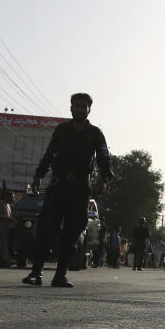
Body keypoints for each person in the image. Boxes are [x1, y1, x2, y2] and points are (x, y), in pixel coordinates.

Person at [22, 92, 112, 287]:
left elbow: (104, 158)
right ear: (71, 108)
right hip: (57, 186)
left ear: (89, 110)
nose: (79, 110)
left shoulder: (95, 133)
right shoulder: (61, 130)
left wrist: (103, 179)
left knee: (72, 233)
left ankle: (60, 276)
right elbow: (49, 154)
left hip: (80, 189)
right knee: (46, 229)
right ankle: (35, 273)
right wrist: (38, 176)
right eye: (76, 106)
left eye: (83, 107)